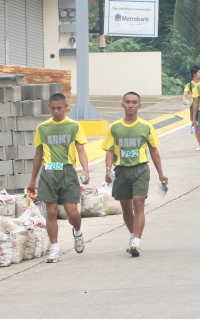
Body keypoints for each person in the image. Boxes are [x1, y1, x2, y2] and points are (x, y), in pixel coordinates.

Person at [102, 92, 168, 257]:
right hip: (121, 170)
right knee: (126, 206)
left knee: (138, 203)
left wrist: (161, 173)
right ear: (122, 105)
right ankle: (132, 235)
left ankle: (137, 241)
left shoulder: (145, 126)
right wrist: (108, 170)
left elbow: (154, 150)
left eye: (134, 102)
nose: (131, 105)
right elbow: (109, 150)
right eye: (128, 102)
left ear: (140, 105)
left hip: (140, 169)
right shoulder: (115, 127)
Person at [26, 93, 89, 263]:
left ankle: (77, 232)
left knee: (72, 212)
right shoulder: (43, 128)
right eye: (53, 108)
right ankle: (55, 248)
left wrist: (85, 171)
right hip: (48, 172)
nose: (55, 111)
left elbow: (81, 150)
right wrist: (33, 179)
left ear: (66, 107)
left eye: (59, 108)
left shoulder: (74, 126)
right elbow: (38, 153)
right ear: (49, 107)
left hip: (67, 172)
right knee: (51, 211)